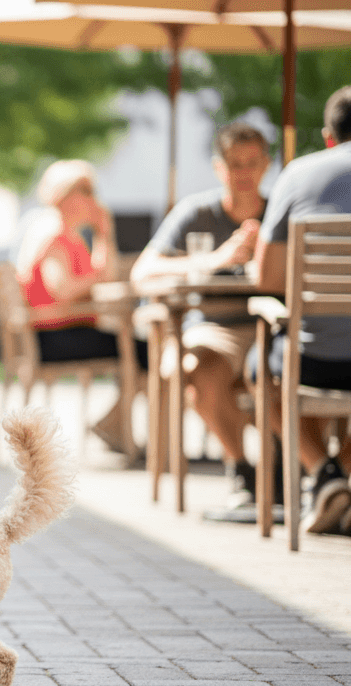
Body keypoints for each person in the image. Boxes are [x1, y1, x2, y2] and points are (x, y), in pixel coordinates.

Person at [129, 123, 274, 521]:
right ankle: (242, 470)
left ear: (266, 164)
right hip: (213, 326)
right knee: (196, 369)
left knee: (302, 369)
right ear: (218, 167)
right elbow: (142, 273)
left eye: (252, 162)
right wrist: (215, 259)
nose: (243, 172)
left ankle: (294, 472)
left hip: (272, 325)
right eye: (234, 163)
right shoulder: (196, 213)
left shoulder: (279, 212)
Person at [249, 84, 351, 536]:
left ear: (329, 137)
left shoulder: (298, 173)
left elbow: (267, 278)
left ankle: (325, 475)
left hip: (313, 358)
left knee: (258, 370)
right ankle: (339, 475)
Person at [16, 159, 144, 451]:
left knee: (143, 350)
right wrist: (95, 279)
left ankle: (114, 424)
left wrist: (104, 234)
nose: (94, 199)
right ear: (65, 195)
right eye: (86, 191)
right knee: (145, 352)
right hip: (55, 336)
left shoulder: (69, 236)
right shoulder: (53, 234)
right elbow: (62, 290)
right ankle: (116, 426)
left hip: (66, 330)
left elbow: (106, 274)